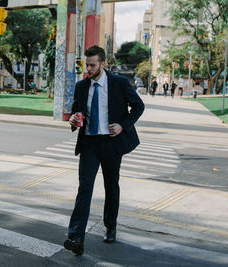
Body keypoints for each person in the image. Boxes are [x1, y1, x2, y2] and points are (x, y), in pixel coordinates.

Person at [64, 45, 145, 256]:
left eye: (92, 65)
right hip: (89, 143)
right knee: (85, 188)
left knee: (111, 186)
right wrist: (74, 120)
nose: (88, 69)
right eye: (86, 65)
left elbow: (138, 106)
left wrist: (122, 125)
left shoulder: (118, 83)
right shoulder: (82, 86)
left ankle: (110, 225)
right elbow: (76, 112)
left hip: (111, 144)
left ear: (103, 63)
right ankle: (76, 237)